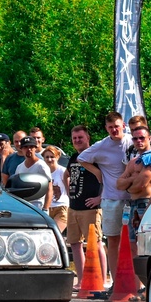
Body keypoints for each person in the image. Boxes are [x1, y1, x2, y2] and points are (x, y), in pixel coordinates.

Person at [77, 112, 131, 275]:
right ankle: (116, 281)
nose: (114, 130)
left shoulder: (132, 141)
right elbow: (81, 158)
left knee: (132, 242)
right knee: (113, 240)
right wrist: (97, 172)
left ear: (123, 125)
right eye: (110, 127)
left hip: (132, 200)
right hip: (111, 199)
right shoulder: (102, 145)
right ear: (106, 128)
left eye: (116, 126)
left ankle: (135, 282)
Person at [115, 120, 151, 283]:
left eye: (141, 138)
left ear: (149, 138)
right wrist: (131, 181)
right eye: (135, 139)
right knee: (133, 246)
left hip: (145, 204)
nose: (138, 141)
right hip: (133, 206)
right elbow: (118, 183)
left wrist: (130, 182)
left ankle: (149, 284)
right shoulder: (134, 161)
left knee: (145, 247)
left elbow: (141, 184)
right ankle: (142, 285)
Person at [67, 124, 106, 290]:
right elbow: (66, 174)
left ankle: (102, 281)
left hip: (91, 208)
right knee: (75, 244)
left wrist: (100, 198)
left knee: (95, 244)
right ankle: (82, 281)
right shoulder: (73, 157)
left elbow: (106, 177)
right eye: (74, 138)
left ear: (88, 138)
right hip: (73, 206)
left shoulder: (95, 156)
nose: (77, 141)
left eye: (80, 138)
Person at [10, 137, 52, 209]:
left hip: (38, 206)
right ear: (21, 149)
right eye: (25, 147)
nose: (29, 149)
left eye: (31, 147)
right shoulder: (19, 167)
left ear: (35, 148)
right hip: (23, 207)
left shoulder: (41, 166)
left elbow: (49, 189)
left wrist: (45, 208)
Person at [41, 145, 68, 235]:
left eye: (52, 157)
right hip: (46, 208)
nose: (49, 159)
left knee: (55, 234)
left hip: (61, 207)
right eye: (47, 157)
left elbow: (70, 189)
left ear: (57, 157)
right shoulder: (42, 172)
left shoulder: (62, 171)